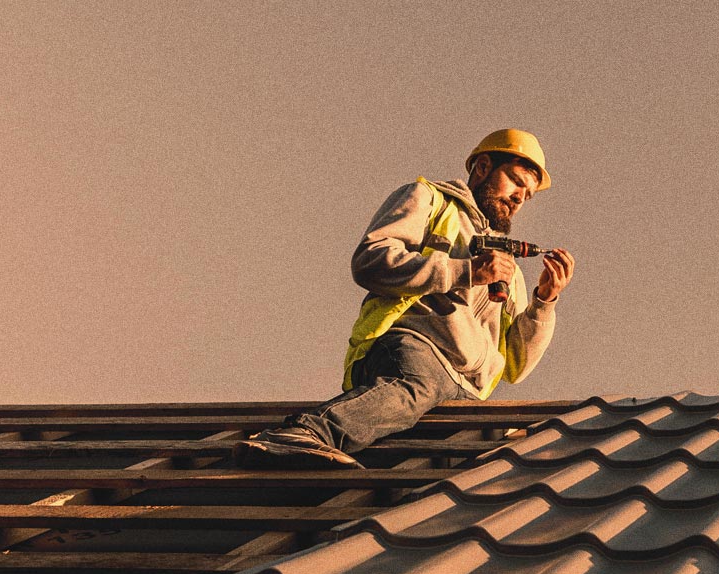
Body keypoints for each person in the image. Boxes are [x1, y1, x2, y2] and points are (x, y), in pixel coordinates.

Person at [234, 128, 575, 469]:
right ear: (483, 167)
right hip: (416, 350)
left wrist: (544, 301)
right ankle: (304, 434)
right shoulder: (430, 201)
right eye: (515, 182)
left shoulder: (508, 271)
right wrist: (464, 272)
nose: (519, 197)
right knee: (414, 387)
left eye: (527, 195)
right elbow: (370, 261)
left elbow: (515, 367)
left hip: (465, 391)